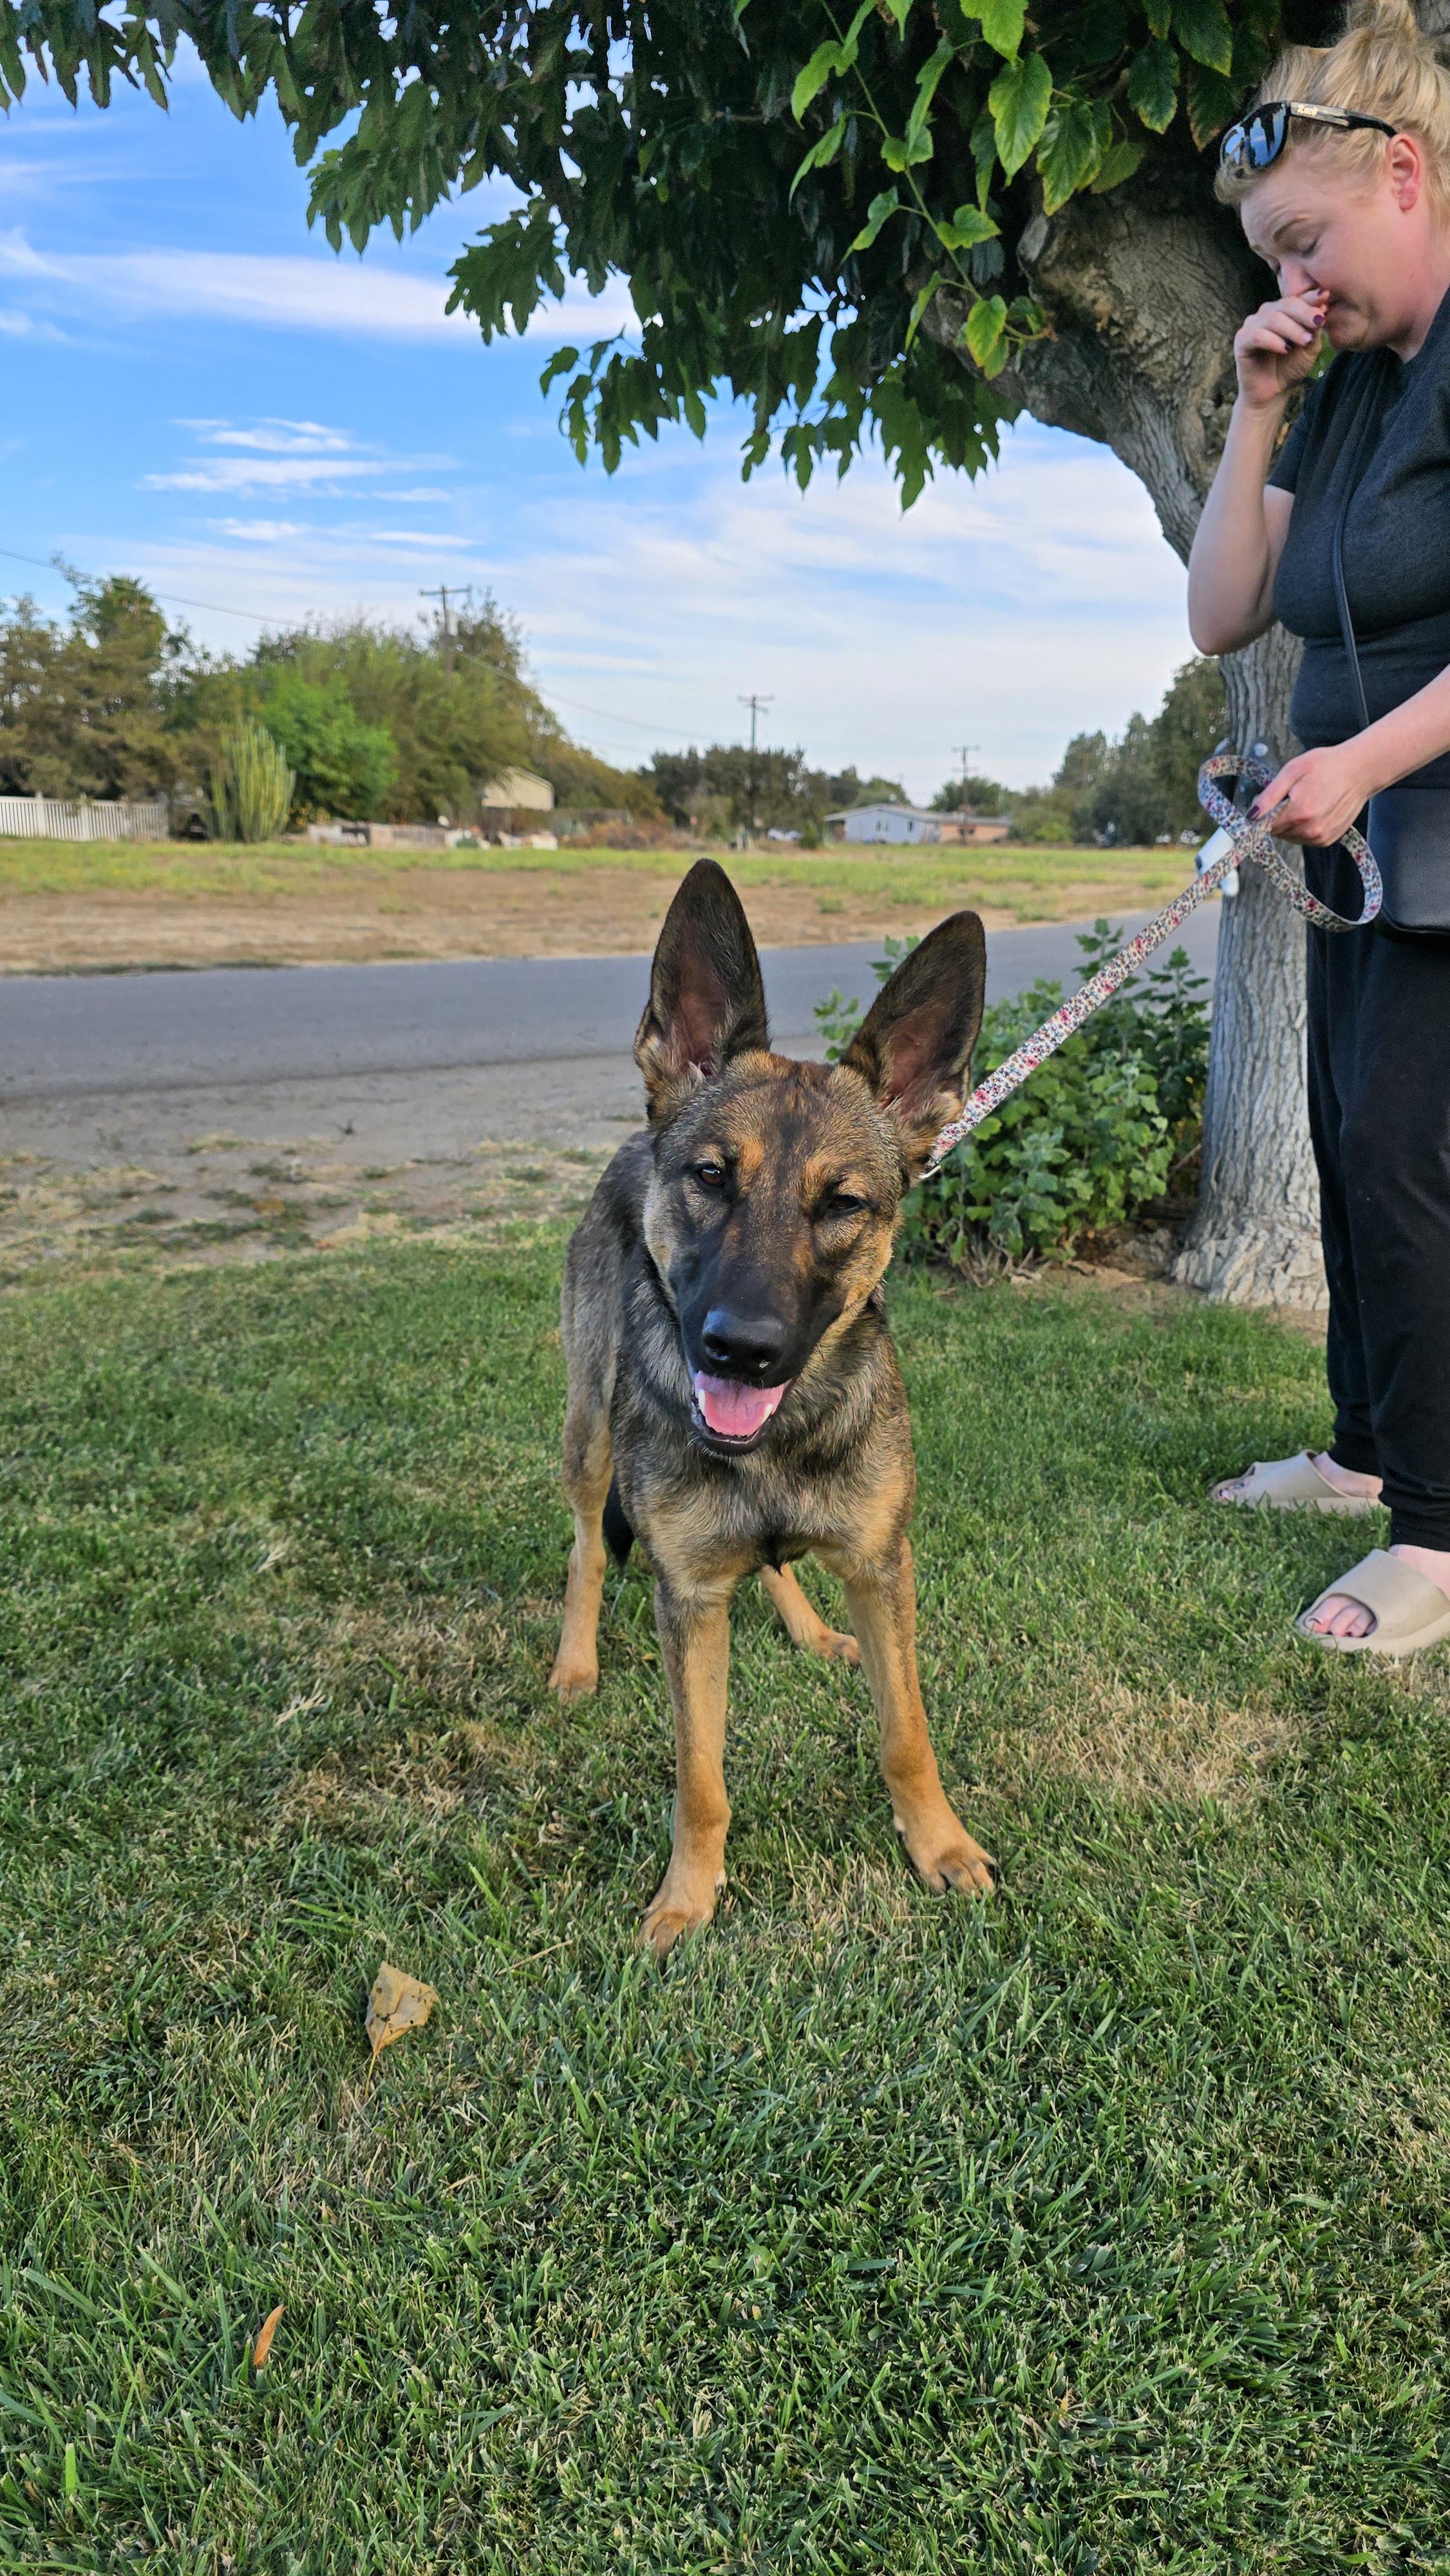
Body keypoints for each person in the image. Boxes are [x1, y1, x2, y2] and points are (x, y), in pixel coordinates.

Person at [1187, 0, 1450, 1654]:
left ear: (1403, 174)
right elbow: (1223, 610)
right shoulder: (1343, 386)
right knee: (1350, 1146)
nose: (1293, 282)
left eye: (1303, 242)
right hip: (1364, 847)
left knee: (1409, 1163)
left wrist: (1362, 760)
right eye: (1271, 259)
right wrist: (1257, 405)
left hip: (1429, 818)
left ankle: (1438, 1536)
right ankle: (1364, 1454)